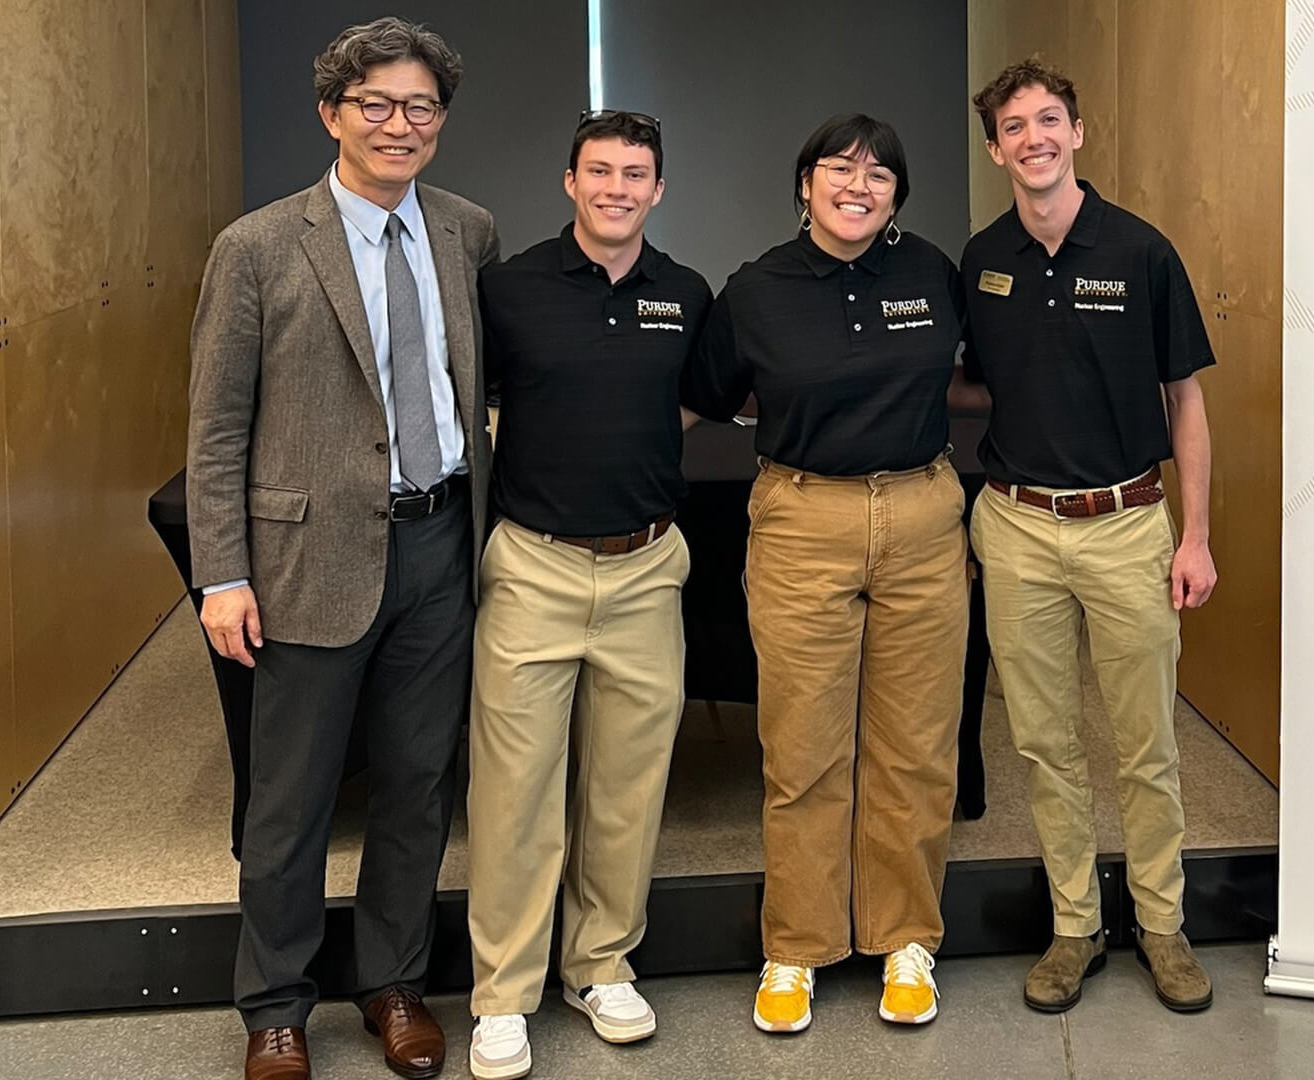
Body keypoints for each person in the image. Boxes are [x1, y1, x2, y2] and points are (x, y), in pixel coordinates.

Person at [186, 17, 497, 1080]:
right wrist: (221, 573)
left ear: (440, 123)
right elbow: (217, 427)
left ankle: (393, 983)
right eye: (376, 104)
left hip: (442, 548)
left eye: (419, 107)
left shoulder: (468, 232)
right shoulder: (260, 246)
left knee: (417, 787)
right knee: (292, 800)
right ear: (332, 114)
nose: (398, 125)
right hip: (304, 566)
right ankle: (274, 1006)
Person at [681, 114, 969, 1034]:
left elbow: (987, 374)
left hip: (923, 514)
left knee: (918, 748)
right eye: (839, 168)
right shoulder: (756, 288)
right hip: (804, 518)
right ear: (804, 182)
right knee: (803, 748)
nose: (859, 183)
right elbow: (701, 401)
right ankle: (796, 947)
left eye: (880, 172)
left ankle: (905, 940)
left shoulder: (931, 272)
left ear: (898, 193)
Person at [958, 57, 1220, 1015]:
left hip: (1127, 527)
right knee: (1044, 742)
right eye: (1015, 126)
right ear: (996, 148)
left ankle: (1163, 924)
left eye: (1050, 120)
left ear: (1078, 133)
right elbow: (965, 378)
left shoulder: (1143, 252)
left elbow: (1185, 401)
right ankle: (1077, 926)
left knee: (1146, 743)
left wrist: (1194, 538)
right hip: (1018, 526)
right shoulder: (981, 261)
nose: (1034, 137)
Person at [462, 109, 711, 1080]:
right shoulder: (509, 289)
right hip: (534, 565)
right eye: (598, 170)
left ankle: (600, 965)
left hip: (647, 567)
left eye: (636, 172)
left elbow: (690, 399)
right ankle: (503, 994)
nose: (616, 187)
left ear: (659, 189)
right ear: (569, 181)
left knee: (625, 789)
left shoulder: (684, 293)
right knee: (516, 795)